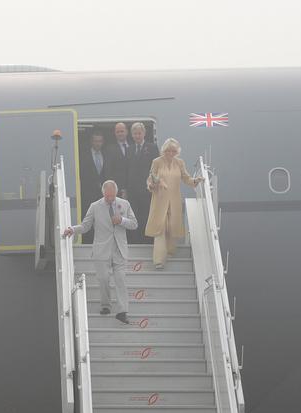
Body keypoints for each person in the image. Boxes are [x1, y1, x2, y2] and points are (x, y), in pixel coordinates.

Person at [64, 180, 138, 325]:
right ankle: (105, 305)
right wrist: (72, 229)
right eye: (107, 196)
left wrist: (122, 220)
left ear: (116, 193)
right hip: (101, 250)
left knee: (121, 280)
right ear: (103, 193)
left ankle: (123, 312)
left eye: (112, 196)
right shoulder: (95, 206)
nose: (110, 199)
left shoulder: (125, 204)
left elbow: (134, 224)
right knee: (103, 279)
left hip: (119, 250)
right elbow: (85, 226)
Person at [145, 137, 203, 269]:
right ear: (164, 150)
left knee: (172, 226)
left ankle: (170, 251)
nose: (170, 153)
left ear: (177, 152)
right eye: (168, 151)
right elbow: (150, 178)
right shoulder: (157, 162)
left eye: (173, 151)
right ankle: (158, 260)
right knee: (160, 227)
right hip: (160, 198)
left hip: (175, 199)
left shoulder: (180, 162)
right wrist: (153, 184)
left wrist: (195, 181)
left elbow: (186, 178)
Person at [125, 122, 159, 243]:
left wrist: (155, 185)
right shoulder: (129, 149)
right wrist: (125, 189)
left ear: (144, 133)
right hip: (132, 190)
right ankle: (135, 241)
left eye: (139, 133)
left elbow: (156, 169)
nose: (137, 136)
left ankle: (147, 241)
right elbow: (126, 169)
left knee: (146, 216)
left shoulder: (152, 148)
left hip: (147, 190)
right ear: (132, 135)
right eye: (135, 134)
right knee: (133, 216)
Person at [78, 132, 112, 215]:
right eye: (95, 141)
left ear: (103, 142)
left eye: (100, 141)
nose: (97, 143)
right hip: (88, 193)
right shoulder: (83, 155)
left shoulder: (107, 154)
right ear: (91, 142)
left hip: (103, 194)